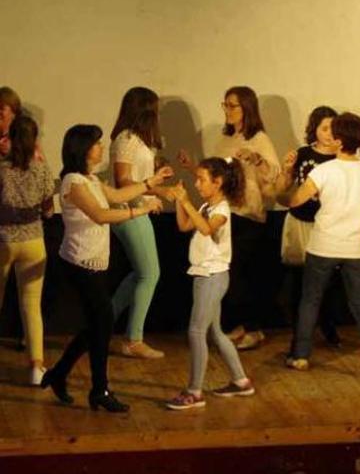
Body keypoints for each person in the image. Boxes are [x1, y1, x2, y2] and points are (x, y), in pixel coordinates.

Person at [41, 124, 170, 412]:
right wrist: (142, 209)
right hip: (79, 264)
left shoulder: (91, 179)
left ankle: (59, 374)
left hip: (94, 263)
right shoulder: (73, 182)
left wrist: (150, 183)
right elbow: (100, 214)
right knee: (102, 324)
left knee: (99, 324)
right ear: (83, 149)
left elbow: (116, 196)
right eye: (96, 144)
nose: (101, 148)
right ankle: (99, 389)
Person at [286, 112, 360, 376]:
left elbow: (295, 201)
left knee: (310, 300)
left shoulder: (323, 171)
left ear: (336, 141)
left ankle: (300, 356)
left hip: (323, 246)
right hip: (357, 249)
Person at [178, 86, 280, 350]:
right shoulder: (225, 140)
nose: (226, 110)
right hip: (225, 212)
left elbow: (273, 176)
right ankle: (239, 325)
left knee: (240, 274)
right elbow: (216, 174)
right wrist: (192, 167)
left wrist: (255, 158)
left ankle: (254, 328)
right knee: (227, 273)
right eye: (224, 105)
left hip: (247, 215)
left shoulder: (258, 138)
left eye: (232, 105)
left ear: (246, 108)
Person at [166, 157, 256, 410]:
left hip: (213, 277)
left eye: (202, 179)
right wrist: (180, 202)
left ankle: (194, 391)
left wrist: (185, 202)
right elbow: (185, 225)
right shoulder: (207, 205)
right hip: (204, 275)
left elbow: (206, 229)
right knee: (215, 331)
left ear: (218, 183)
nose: (197, 183)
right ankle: (241, 381)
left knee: (196, 331)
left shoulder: (221, 210)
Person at [108, 87, 170, 358]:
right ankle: (133, 339)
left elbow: (140, 178)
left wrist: (159, 186)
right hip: (128, 211)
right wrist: (153, 191)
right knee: (149, 274)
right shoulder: (127, 139)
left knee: (139, 274)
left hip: (138, 209)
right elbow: (123, 181)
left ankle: (101, 324)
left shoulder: (141, 140)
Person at [276, 106, 342, 348]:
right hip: (300, 223)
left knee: (328, 281)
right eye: (324, 128)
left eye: (333, 129)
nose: (328, 134)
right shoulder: (303, 154)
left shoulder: (342, 157)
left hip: (327, 227)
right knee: (298, 280)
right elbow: (282, 188)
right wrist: (286, 168)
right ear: (314, 129)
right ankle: (299, 332)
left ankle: (328, 325)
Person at [0, 116, 54, 385]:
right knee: (32, 306)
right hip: (34, 241)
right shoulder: (42, 169)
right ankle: (36, 366)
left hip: (4, 239)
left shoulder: (2, 169)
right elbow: (48, 206)